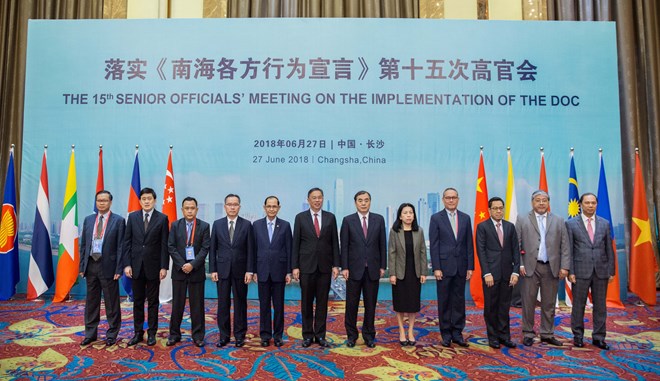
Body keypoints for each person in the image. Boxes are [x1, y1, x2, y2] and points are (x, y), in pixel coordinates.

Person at [516, 190, 570, 347]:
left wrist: (565, 267)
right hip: (529, 268)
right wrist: (520, 264)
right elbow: (516, 244)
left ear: (548, 203)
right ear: (532, 202)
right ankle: (527, 332)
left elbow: (565, 246)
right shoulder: (522, 219)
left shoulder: (559, 220)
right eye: (538, 200)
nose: (541, 203)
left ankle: (547, 333)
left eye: (544, 200)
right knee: (528, 302)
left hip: (551, 268)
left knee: (549, 303)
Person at [292, 187, 340, 348]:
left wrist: (336, 265)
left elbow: (335, 243)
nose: (317, 200)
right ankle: (307, 335)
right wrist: (295, 266)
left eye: (320, 197)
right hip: (306, 267)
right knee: (306, 303)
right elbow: (295, 244)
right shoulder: (300, 218)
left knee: (322, 303)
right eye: (314, 197)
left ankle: (320, 335)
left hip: (325, 267)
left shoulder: (330, 217)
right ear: (308, 200)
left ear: (323, 199)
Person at [566, 193, 615, 350]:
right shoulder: (571, 224)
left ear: (596, 204)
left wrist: (611, 270)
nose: (590, 205)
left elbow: (609, 248)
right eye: (587, 203)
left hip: (601, 271)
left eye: (593, 203)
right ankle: (578, 336)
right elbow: (569, 250)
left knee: (600, 306)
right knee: (578, 305)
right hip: (580, 271)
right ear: (581, 204)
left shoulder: (605, 223)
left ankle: (599, 337)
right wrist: (570, 271)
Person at [123, 187, 170, 347]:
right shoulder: (133, 217)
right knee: (137, 301)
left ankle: (151, 333)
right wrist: (127, 264)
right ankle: (137, 333)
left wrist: (164, 267)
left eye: (149, 198)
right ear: (140, 201)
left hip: (154, 267)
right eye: (144, 199)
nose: (147, 201)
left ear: (154, 200)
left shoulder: (162, 218)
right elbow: (127, 242)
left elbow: (164, 245)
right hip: (135, 266)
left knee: (153, 302)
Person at [79, 190, 125, 346]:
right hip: (91, 265)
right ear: (96, 202)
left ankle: (112, 334)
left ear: (110, 202)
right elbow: (84, 245)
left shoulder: (118, 221)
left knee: (112, 303)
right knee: (91, 302)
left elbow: (121, 247)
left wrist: (119, 269)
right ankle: (90, 334)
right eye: (99, 200)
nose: (102, 203)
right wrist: (82, 266)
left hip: (109, 267)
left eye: (105, 200)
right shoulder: (88, 220)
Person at [341, 191, 387, 348]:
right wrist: (344, 267)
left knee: (370, 304)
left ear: (370, 202)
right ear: (355, 203)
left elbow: (382, 244)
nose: (363, 203)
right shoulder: (348, 221)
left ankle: (369, 335)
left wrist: (383, 266)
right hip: (353, 270)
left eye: (366, 200)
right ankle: (351, 336)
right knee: (351, 304)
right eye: (360, 200)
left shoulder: (379, 219)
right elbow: (344, 246)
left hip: (373, 269)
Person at [429, 187, 474, 348]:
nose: (451, 200)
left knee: (459, 301)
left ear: (458, 199)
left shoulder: (465, 218)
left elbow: (469, 243)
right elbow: (434, 245)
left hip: (461, 266)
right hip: (444, 267)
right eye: (448, 197)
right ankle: (446, 334)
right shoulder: (436, 218)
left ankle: (457, 333)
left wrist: (470, 266)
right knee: (445, 301)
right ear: (443, 200)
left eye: (454, 197)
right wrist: (436, 267)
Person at [210, 194, 255, 348]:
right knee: (223, 304)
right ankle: (223, 336)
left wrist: (250, 271)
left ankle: (239, 335)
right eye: (229, 204)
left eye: (235, 204)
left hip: (241, 272)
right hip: (222, 271)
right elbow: (212, 249)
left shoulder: (247, 225)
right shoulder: (217, 224)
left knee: (240, 304)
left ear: (239, 207)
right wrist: (213, 269)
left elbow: (251, 250)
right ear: (225, 206)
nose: (232, 207)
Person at [475, 197, 520, 349]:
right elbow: (481, 252)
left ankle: (504, 336)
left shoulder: (510, 227)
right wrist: (486, 273)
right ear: (489, 210)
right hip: (491, 275)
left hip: (508, 275)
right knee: (491, 307)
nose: (499, 211)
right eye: (495, 208)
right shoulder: (483, 227)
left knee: (504, 306)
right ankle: (493, 337)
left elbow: (516, 251)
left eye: (501, 208)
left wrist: (515, 272)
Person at [167, 197, 210, 348]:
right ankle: (174, 335)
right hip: (179, 272)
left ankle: (198, 336)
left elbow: (205, 249)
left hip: (196, 272)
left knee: (197, 306)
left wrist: (192, 265)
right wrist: (182, 264)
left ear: (197, 210)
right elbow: (171, 246)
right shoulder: (175, 225)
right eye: (187, 208)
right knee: (177, 305)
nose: (190, 211)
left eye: (192, 208)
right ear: (182, 210)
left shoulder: (204, 226)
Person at [253, 196, 292, 347]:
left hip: (279, 272)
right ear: (264, 207)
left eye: (274, 206)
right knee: (264, 305)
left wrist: (288, 271)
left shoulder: (285, 225)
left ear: (278, 208)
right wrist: (253, 270)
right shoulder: (256, 225)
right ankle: (264, 335)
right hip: (262, 271)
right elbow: (253, 249)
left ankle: (278, 336)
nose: (271, 209)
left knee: (279, 306)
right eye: (268, 206)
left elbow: (289, 249)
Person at [388, 203, 427, 347]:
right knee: (400, 304)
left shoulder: (419, 231)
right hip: (399, 273)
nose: (409, 215)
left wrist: (423, 272)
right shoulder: (394, 231)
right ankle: (401, 332)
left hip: (414, 273)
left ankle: (410, 331)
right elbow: (391, 253)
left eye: (411, 212)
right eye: (405, 213)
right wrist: (392, 273)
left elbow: (423, 252)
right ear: (400, 216)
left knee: (412, 305)